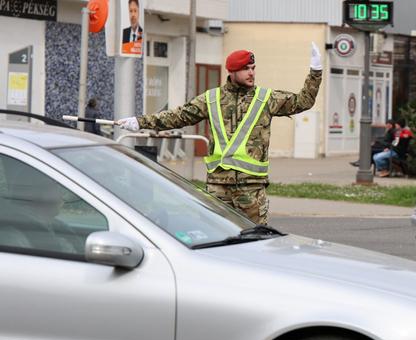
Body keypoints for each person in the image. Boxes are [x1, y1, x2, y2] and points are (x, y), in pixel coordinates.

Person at [117, 45, 323, 225]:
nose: (251, 73)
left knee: (256, 241)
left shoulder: (266, 98)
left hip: (251, 188)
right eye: (245, 69)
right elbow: (178, 116)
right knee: (216, 240)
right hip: (218, 187)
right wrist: (139, 122)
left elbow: (302, 101)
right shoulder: (212, 98)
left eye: (253, 68)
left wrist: (315, 72)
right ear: (232, 71)